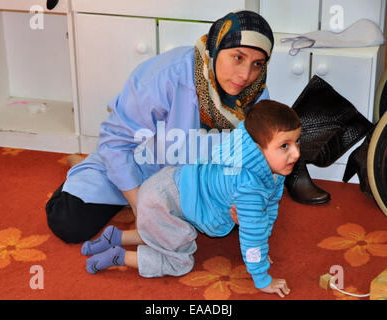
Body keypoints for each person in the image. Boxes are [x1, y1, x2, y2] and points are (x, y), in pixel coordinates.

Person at [45, 10, 275, 243]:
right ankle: (96, 174)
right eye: (238, 57)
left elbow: (255, 154)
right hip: (142, 163)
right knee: (68, 221)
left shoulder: (255, 92)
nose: (246, 74)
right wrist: (141, 209)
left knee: (244, 218)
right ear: (216, 49)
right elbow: (115, 141)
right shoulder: (166, 75)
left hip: (195, 178)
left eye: (257, 64)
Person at [81, 100, 301, 298]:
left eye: (297, 142)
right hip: (163, 202)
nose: (296, 153)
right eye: (284, 146)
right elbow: (253, 235)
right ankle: (118, 257)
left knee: (165, 233)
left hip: (171, 184)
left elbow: (268, 210)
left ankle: (115, 237)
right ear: (257, 148)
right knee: (180, 261)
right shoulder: (249, 187)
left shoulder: (266, 167)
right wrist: (262, 278)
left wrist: (263, 247)